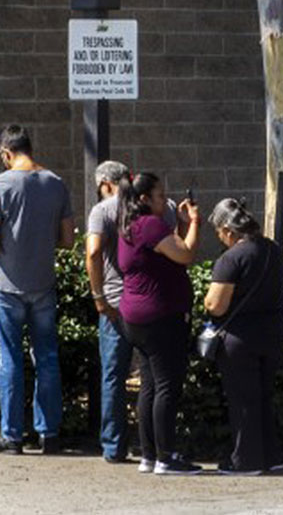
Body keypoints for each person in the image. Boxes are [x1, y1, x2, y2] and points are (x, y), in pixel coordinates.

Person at [0, 125, 74, 455]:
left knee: (11, 359)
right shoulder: (56, 183)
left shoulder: (0, 185)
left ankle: (12, 435)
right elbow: (67, 240)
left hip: (6, 284)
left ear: (6, 153)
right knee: (47, 357)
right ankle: (49, 433)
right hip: (43, 282)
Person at [86, 158, 179, 463]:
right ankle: (152, 446)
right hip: (153, 303)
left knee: (114, 375)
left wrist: (98, 296)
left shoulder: (103, 210)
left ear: (105, 184)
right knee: (152, 379)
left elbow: (94, 251)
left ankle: (114, 446)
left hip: (115, 304)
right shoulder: (164, 207)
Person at [117, 172, 201, 475]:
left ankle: (149, 455)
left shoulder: (129, 226)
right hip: (160, 317)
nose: (164, 200)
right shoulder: (150, 225)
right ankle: (167, 456)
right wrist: (194, 223)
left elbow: (168, 250)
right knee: (167, 386)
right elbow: (185, 254)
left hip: (135, 317)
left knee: (149, 386)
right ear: (143, 199)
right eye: (159, 195)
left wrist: (178, 225)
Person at [204, 197, 283, 475]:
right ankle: (272, 456)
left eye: (219, 233)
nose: (220, 239)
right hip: (274, 332)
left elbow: (216, 305)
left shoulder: (231, 258)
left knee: (243, 401)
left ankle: (246, 461)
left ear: (228, 230)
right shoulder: (273, 251)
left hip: (241, 338)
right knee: (265, 396)